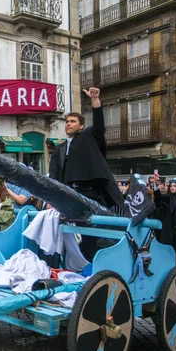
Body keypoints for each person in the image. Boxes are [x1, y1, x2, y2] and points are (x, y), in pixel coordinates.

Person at [49, 87, 123, 261]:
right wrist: (52, 200)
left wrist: (95, 101)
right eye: (67, 121)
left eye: (73, 121)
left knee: (98, 231)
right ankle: (82, 265)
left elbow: (99, 126)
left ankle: (103, 263)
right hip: (70, 194)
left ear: (81, 126)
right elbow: (54, 176)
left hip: (91, 193)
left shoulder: (88, 136)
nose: (68, 123)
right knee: (76, 233)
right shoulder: (59, 149)